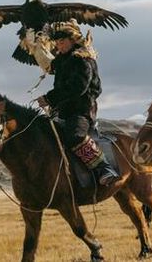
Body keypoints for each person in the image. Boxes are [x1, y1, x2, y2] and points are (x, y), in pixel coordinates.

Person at [36, 19, 120, 186]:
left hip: (81, 111)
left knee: (75, 136)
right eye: (57, 43)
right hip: (62, 111)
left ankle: (105, 169)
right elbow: (47, 64)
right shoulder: (62, 61)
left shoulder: (82, 60)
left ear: (73, 40)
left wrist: (49, 98)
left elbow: (78, 87)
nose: (59, 46)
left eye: (62, 42)